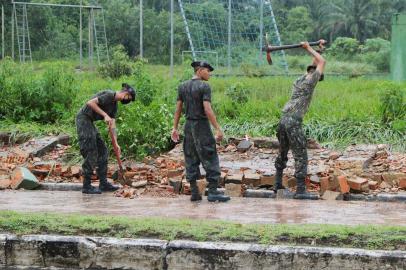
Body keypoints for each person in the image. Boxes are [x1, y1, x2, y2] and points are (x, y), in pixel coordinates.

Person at [274, 40, 326, 200]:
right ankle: (301, 190)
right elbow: (322, 62)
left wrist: (319, 49)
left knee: (282, 152)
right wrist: (309, 48)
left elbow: (315, 63)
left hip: (283, 119)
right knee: (300, 154)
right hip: (293, 121)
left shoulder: (300, 79)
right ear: (316, 75)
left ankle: (277, 185)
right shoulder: (311, 81)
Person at [171, 61, 230, 202]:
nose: (209, 74)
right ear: (200, 70)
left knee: (190, 157)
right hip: (201, 126)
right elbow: (207, 109)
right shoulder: (204, 86)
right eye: (208, 71)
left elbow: (178, 109)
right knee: (209, 155)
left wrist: (175, 127)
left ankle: (194, 193)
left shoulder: (182, 86)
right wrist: (218, 129)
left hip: (188, 126)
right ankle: (213, 192)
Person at [76, 83, 136, 194]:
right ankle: (86, 186)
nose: (128, 101)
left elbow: (112, 125)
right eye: (129, 98)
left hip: (90, 122)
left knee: (103, 150)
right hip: (83, 119)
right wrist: (105, 115)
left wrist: (116, 143)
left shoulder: (114, 105)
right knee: (91, 151)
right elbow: (90, 103)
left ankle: (103, 184)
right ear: (126, 93)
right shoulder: (109, 95)